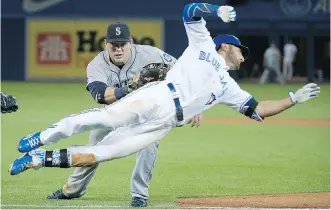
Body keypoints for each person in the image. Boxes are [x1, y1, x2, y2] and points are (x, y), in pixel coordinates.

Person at [10, 4, 320, 202]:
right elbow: (189, 11)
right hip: (157, 97)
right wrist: (216, 10)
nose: (244, 56)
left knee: (103, 153)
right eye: (243, 51)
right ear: (226, 45)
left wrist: (291, 99)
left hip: (163, 124)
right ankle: (42, 136)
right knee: (101, 120)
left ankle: (37, 159)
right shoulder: (204, 46)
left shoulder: (229, 86)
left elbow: (258, 109)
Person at [45, 22, 181, 207]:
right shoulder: (97, 65)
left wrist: (189, 105)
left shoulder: (151, 54)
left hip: (144, 113)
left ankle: (139, 194)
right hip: (113, 113)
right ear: (105, 43)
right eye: (113, 45)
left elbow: (184, 73)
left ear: (130, 42)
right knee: (93, 149)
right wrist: (131, 87)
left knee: (148, 146)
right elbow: (101, 95)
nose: (118, 49)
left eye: (122, 44)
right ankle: (73, 190)